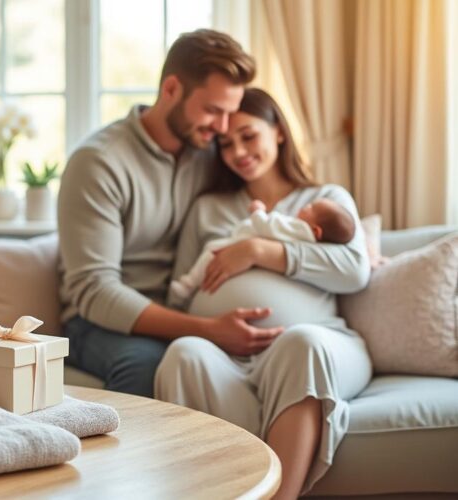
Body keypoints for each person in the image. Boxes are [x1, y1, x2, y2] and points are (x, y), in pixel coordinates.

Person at [154, 88, 372, 499]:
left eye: (249, 136)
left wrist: (258, 251)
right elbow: (177, 295)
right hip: (228, 358)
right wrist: (210, 326)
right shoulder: (208, 209)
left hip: (319, 343)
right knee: (183, 354)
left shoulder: (325, 200)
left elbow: (355, 271)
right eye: (226, 142)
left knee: (300, 341)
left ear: (279, 133)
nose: (238, 151)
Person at [58, 29, 283, 398]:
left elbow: (269, 198)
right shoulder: (99, 163)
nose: (222, 128)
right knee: (148, 362)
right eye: (212, 111)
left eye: (229, 114)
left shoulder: (211, 151)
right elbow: (94, 291)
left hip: (188, 308)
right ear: (172, 89)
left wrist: (348, 238)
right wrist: (205, 328)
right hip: (101, 323)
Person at [169, 196, 356, 305]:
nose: (306, 206)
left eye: (311, 208)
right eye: (226, 144)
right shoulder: (206, 205)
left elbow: (267, 226)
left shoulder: (300, 228)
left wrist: (258, 212)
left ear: (316, 231)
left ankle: (188, 284)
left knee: (210, 252)